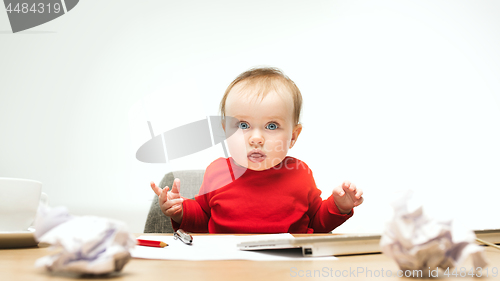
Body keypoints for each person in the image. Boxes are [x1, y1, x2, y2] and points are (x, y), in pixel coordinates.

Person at [150, 67, 364, 233]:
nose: (256, 139)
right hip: (227, 265)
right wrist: (180, 210)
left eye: (271, 126)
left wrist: (339, 206)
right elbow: (203, 218)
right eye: (243, 126)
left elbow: (316, 223)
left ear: (293, 136)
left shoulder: (300, 173)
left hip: (287, 266)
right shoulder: (217, 172)